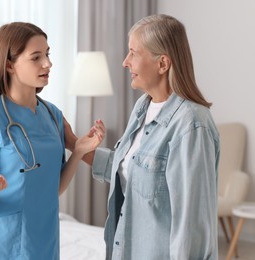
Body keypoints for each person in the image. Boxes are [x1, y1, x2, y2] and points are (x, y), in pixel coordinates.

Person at [64, 14, 220, 259]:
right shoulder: (142, 108)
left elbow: (192, 227)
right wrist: (73, 143)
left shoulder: (192, 125)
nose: (125, 62)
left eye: (133, 53)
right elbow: (129, 171)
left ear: (162, 64)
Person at [0, 22, 104, 260]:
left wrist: (78, 152)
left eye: (48, 54)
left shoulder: (53, 115)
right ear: (9, 65)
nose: (48, 63)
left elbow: (52, 189)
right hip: (1, 244)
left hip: (44, 239)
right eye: (36, 57)